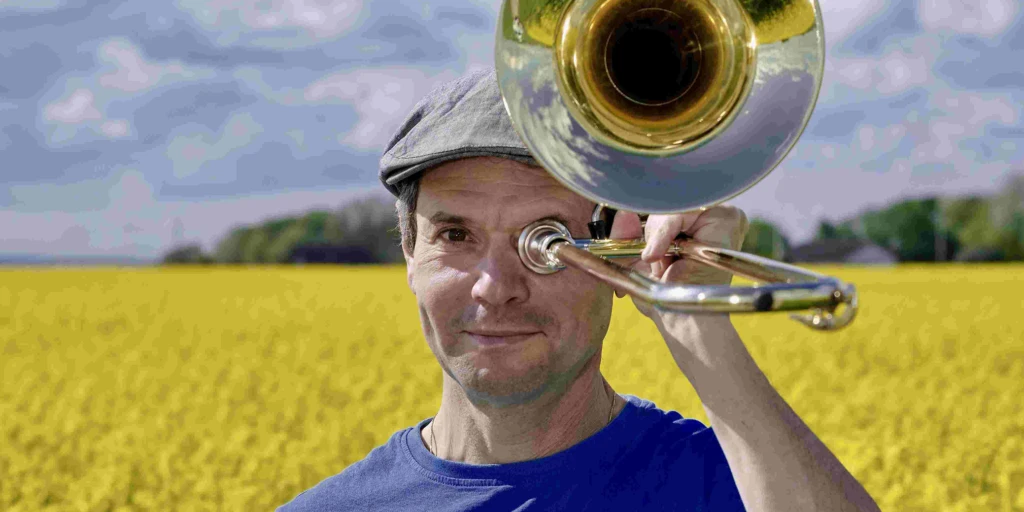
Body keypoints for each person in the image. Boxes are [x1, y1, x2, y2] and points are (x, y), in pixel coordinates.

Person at [278, 69, 880, 511]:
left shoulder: (735, 485)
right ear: (409, 253)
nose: (495, 288)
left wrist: (697, 320)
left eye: (548, 239)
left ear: (621, 248)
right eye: (455, 235)